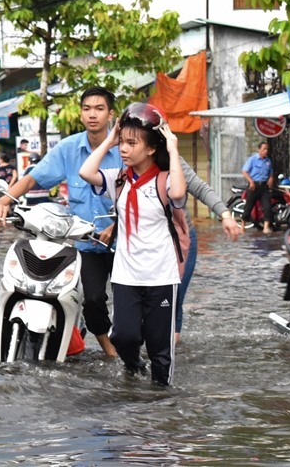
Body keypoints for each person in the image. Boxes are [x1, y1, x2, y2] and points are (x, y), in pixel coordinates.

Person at [0, 87, 121, 358]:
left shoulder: (124, 148)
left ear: (110, 113)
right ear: (80, 113)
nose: (92, 114)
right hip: (87, 242)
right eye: (87, 109)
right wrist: (6, 199)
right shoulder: (69, 148)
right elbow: (34, 178)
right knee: (93, 298)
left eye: (99, 109)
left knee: (134, 302)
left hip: (125, 239)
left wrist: (117, 224)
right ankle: (109, 350)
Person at [79, 102, 185, 385]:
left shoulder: (163, 181)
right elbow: (86, 173)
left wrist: (173, 148)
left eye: (131, 143)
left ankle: (162, 401)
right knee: (123, 337)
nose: (123, 149)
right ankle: (134, 368)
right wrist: (110, 141)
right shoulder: (119, 180)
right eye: (122, 143)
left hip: (161, 275)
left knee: (159, 348)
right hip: (126, 275)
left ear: (150, 149)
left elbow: (179, 192)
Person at [176, 157, 243, 342]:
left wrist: (226, 215)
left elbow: (201, 189)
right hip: (146, 245)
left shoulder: (173, 159)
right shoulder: (127, 162)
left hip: (182, 240)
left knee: (175, 298)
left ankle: (171, 354)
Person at [240, 142, 274, 233]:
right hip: (254, 186)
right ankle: (242, 226)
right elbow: (244, 171)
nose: (266, 151)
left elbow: (271, 173)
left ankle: (265, 227)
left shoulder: (268, 161)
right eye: (264, 149)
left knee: (267, 207)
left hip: (264, 187)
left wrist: (271, 179)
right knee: (248, 207)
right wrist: (251, 181)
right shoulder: (253, 159)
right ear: (259, 150)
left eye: (267, 149)